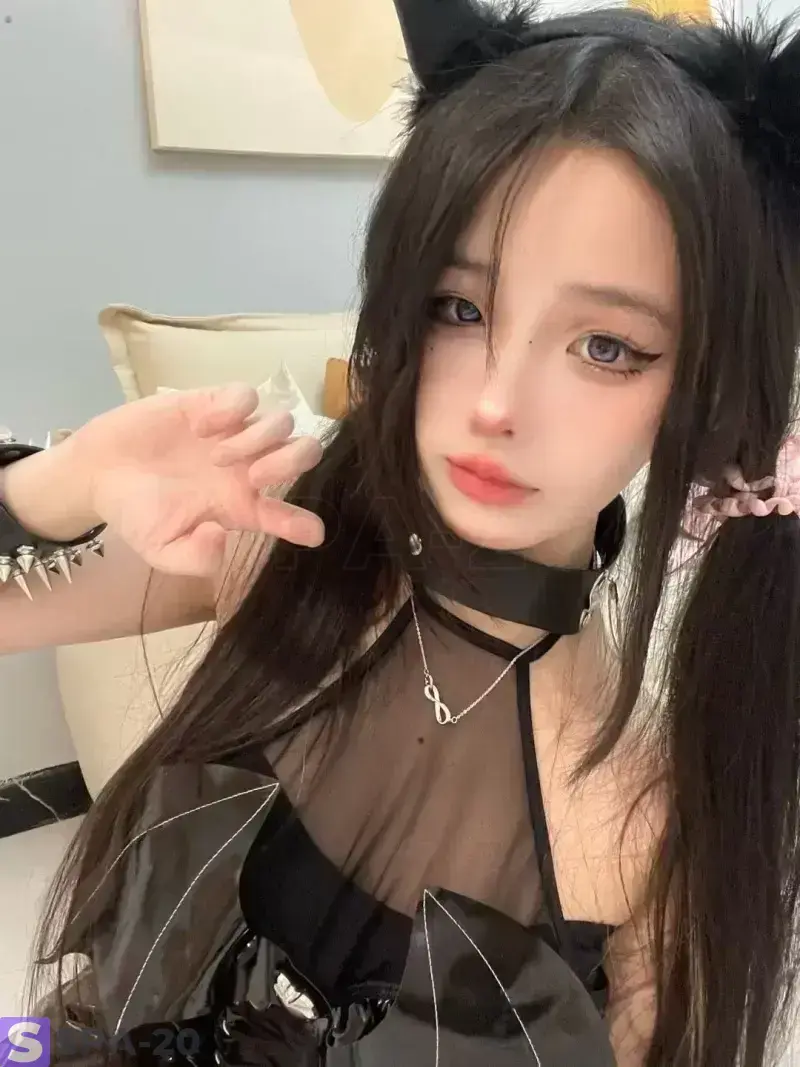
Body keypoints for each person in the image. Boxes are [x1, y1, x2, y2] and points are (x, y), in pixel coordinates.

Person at [2, 1, 800, 1064]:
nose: (496, 403)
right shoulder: (279, 552)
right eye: (459, 309)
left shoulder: (646, 822)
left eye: (606, 346)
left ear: (702, 389)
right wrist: (55, 487)